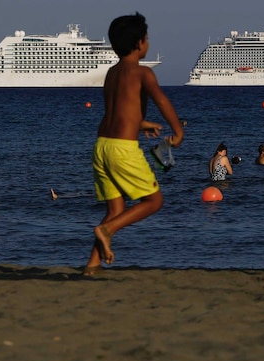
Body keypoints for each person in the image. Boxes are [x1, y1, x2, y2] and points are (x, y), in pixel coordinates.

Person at [85, 12, 184, 274]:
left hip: (102, 146)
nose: (148, 43)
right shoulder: (143, 73)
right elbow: (162, 101)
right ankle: (107, 230)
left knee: (116, 208)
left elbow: (116, 109)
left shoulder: (111, 73)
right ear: (139, 43)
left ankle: (92, 265)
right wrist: (177, 131)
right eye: (147, 38)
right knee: (154, 201)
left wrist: (141, 124)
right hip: (121, 149)